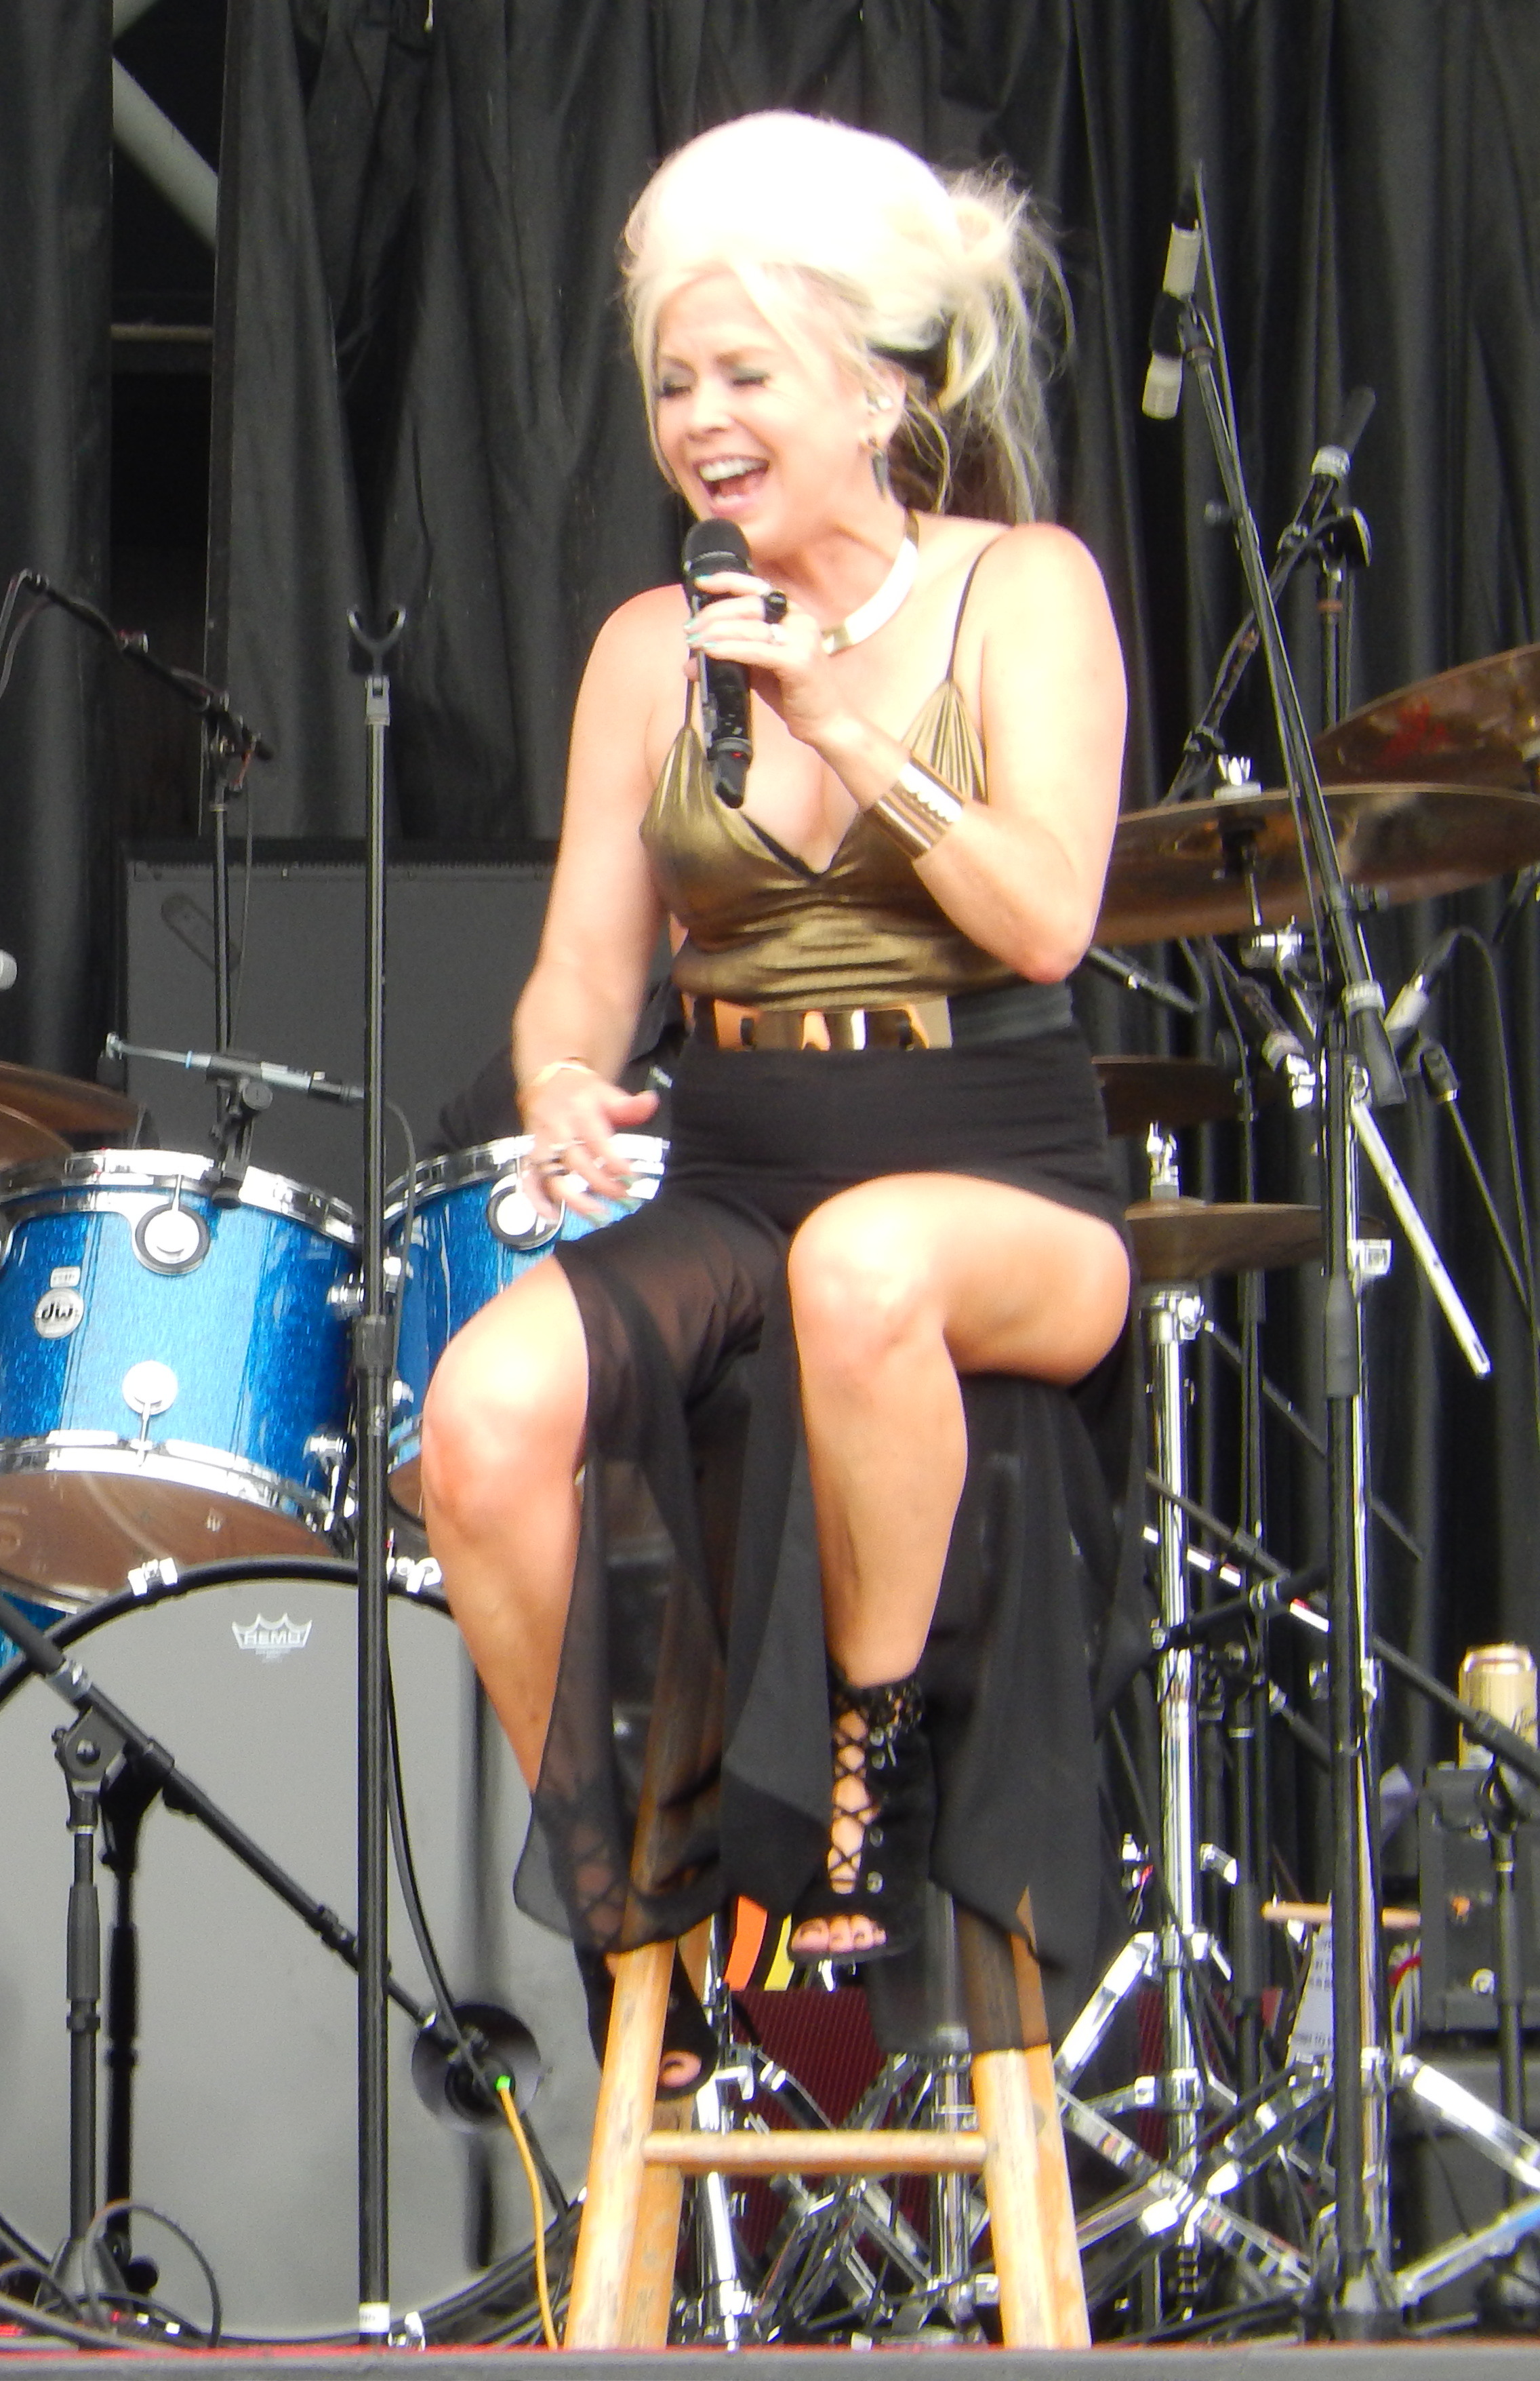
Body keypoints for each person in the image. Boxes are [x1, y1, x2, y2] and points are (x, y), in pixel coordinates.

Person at [413, 113, 1133, 2071]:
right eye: (674, 384)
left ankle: (860, 1794)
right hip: (738, 1171)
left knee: (867, 1275)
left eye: (746, 375)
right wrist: (563, 1082)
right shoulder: (650, 651)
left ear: (882, 391)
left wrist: (846, 724)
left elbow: (1049, 916)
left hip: (1002, 1177)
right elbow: (586, 971)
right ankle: (633, 1895)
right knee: (478, 1423)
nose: (701, 423)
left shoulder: (1021, 590)